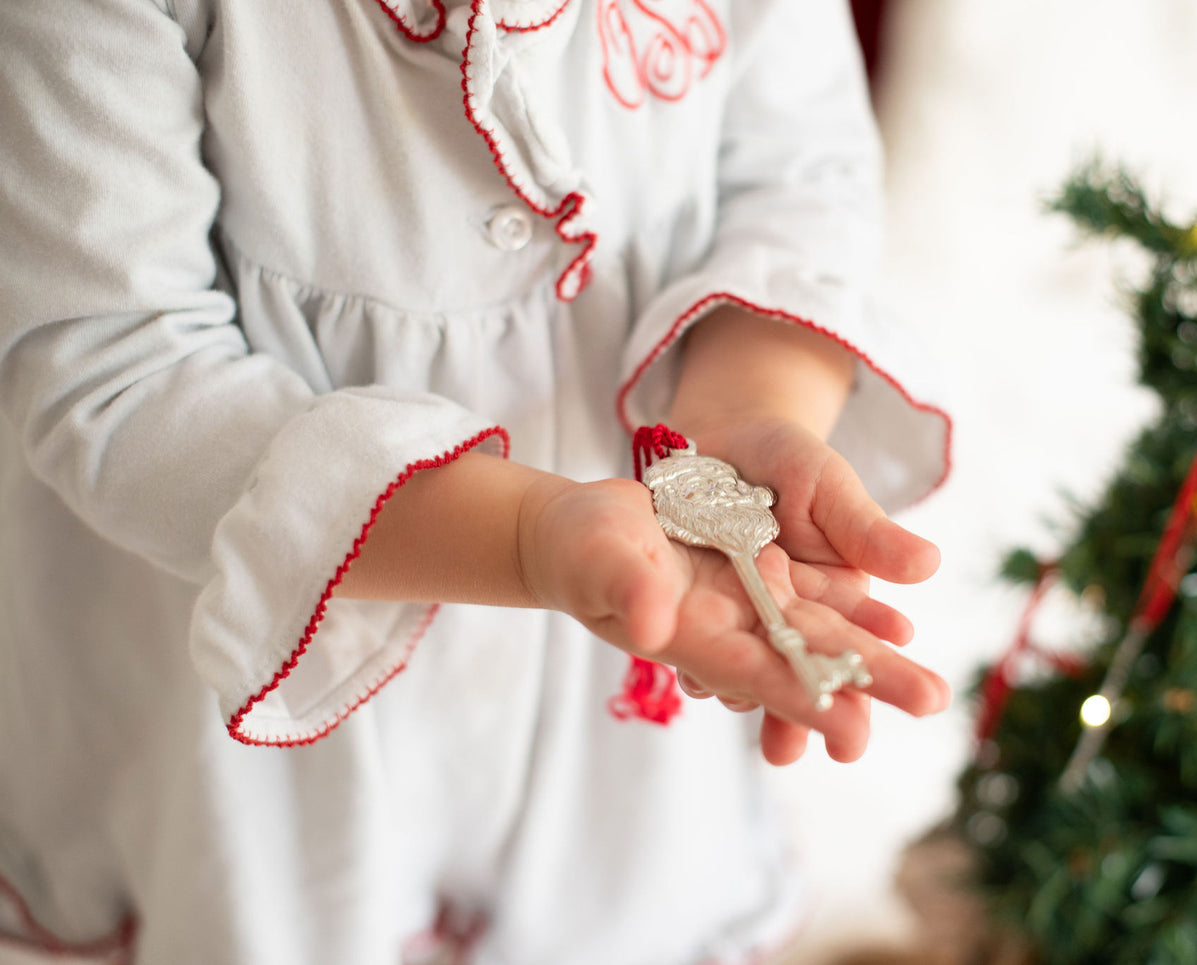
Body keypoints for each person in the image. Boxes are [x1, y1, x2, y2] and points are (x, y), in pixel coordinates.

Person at [0, 0, 952, 961]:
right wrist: (527, 538)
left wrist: (750, 407)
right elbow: (119, 368)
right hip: (268, 659)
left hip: (621, 659)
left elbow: (798, 187)